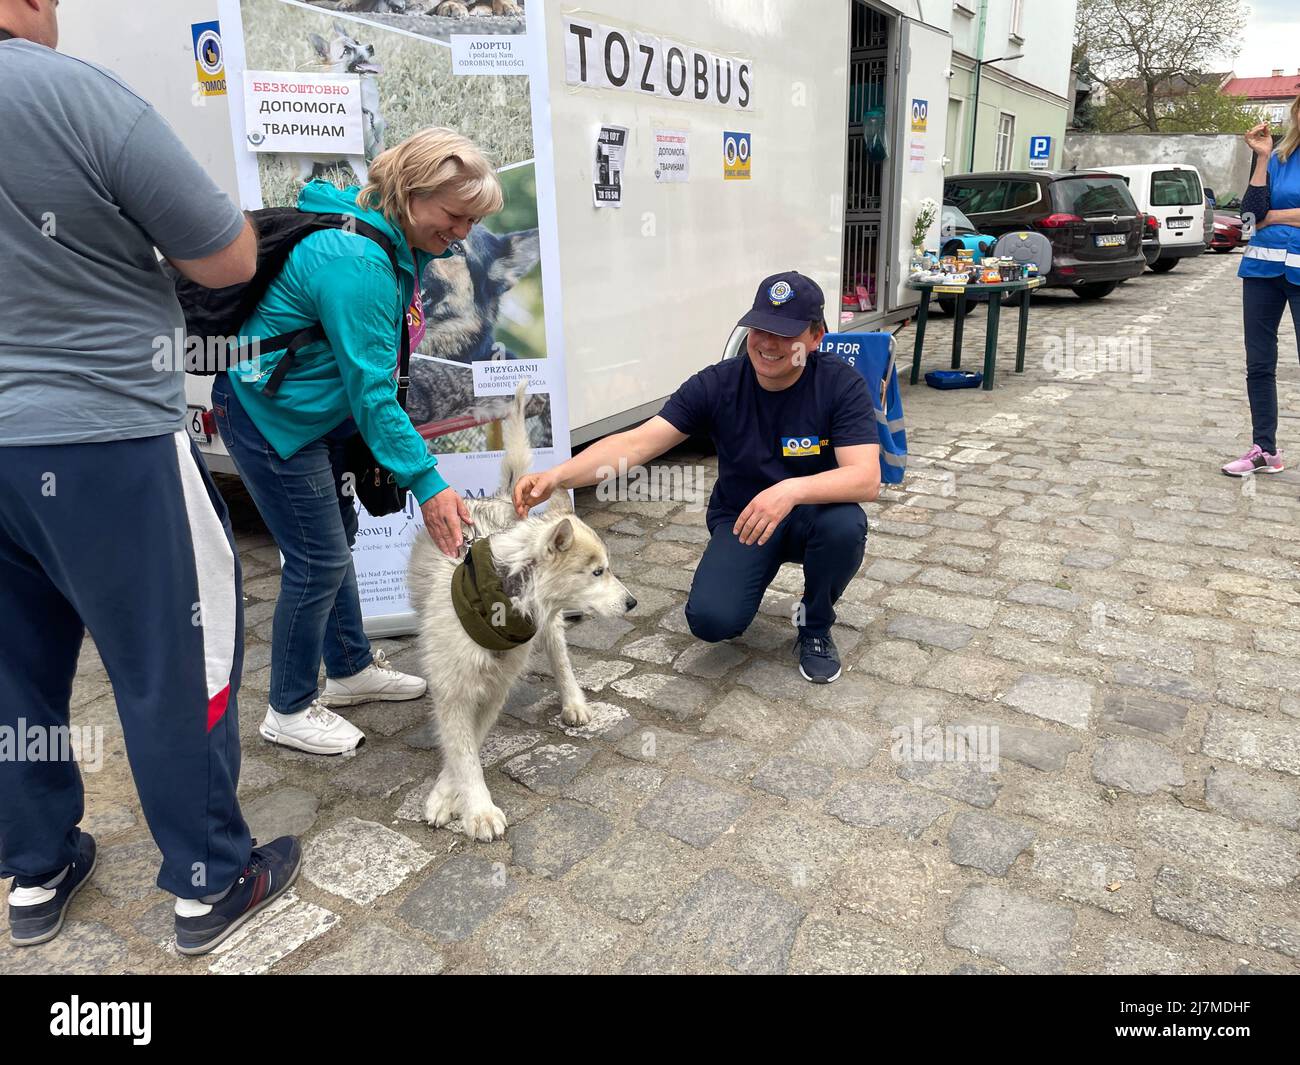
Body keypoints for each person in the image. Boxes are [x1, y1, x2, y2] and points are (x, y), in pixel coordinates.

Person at [0, 0, 300, 956]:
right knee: (178, 659)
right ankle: (212, 879)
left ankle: (36, 866)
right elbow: (226, 253)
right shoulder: (72, 92)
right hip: (108, 434)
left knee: (12, 673)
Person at [213, 127, 501, 755]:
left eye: (472, 221)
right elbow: (374, 392)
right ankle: (287, 708)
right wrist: (429, 482)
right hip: (272, 415)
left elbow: (368, 376)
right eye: (455, 216)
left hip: (319, 410)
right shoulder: (359, 264)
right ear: (411, 193)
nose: (463, 234)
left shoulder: (389, 234)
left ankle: (348, 669)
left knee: (336, 541)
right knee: (316, 559)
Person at [514, 272, 880, 683]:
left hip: (815, 516)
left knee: (846, 525)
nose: (768, 344)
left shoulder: (839, 384)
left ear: (815, 337)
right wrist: (557, 476)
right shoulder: (719, 383)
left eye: (785, 333)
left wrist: (791, 490)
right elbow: (638, 443)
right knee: (712, 621)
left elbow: (865, 478)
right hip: (744, 520)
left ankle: (814, 624)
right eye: (760, 328)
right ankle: (748, 576)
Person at [1223, 98, 1300, 476]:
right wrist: (1263, 157)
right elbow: (1251, 217)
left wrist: (1277, 215)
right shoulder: (1279, 155)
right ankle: (1264, 450)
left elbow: (1267, 215)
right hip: (1261, 270)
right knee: (1259, 364)